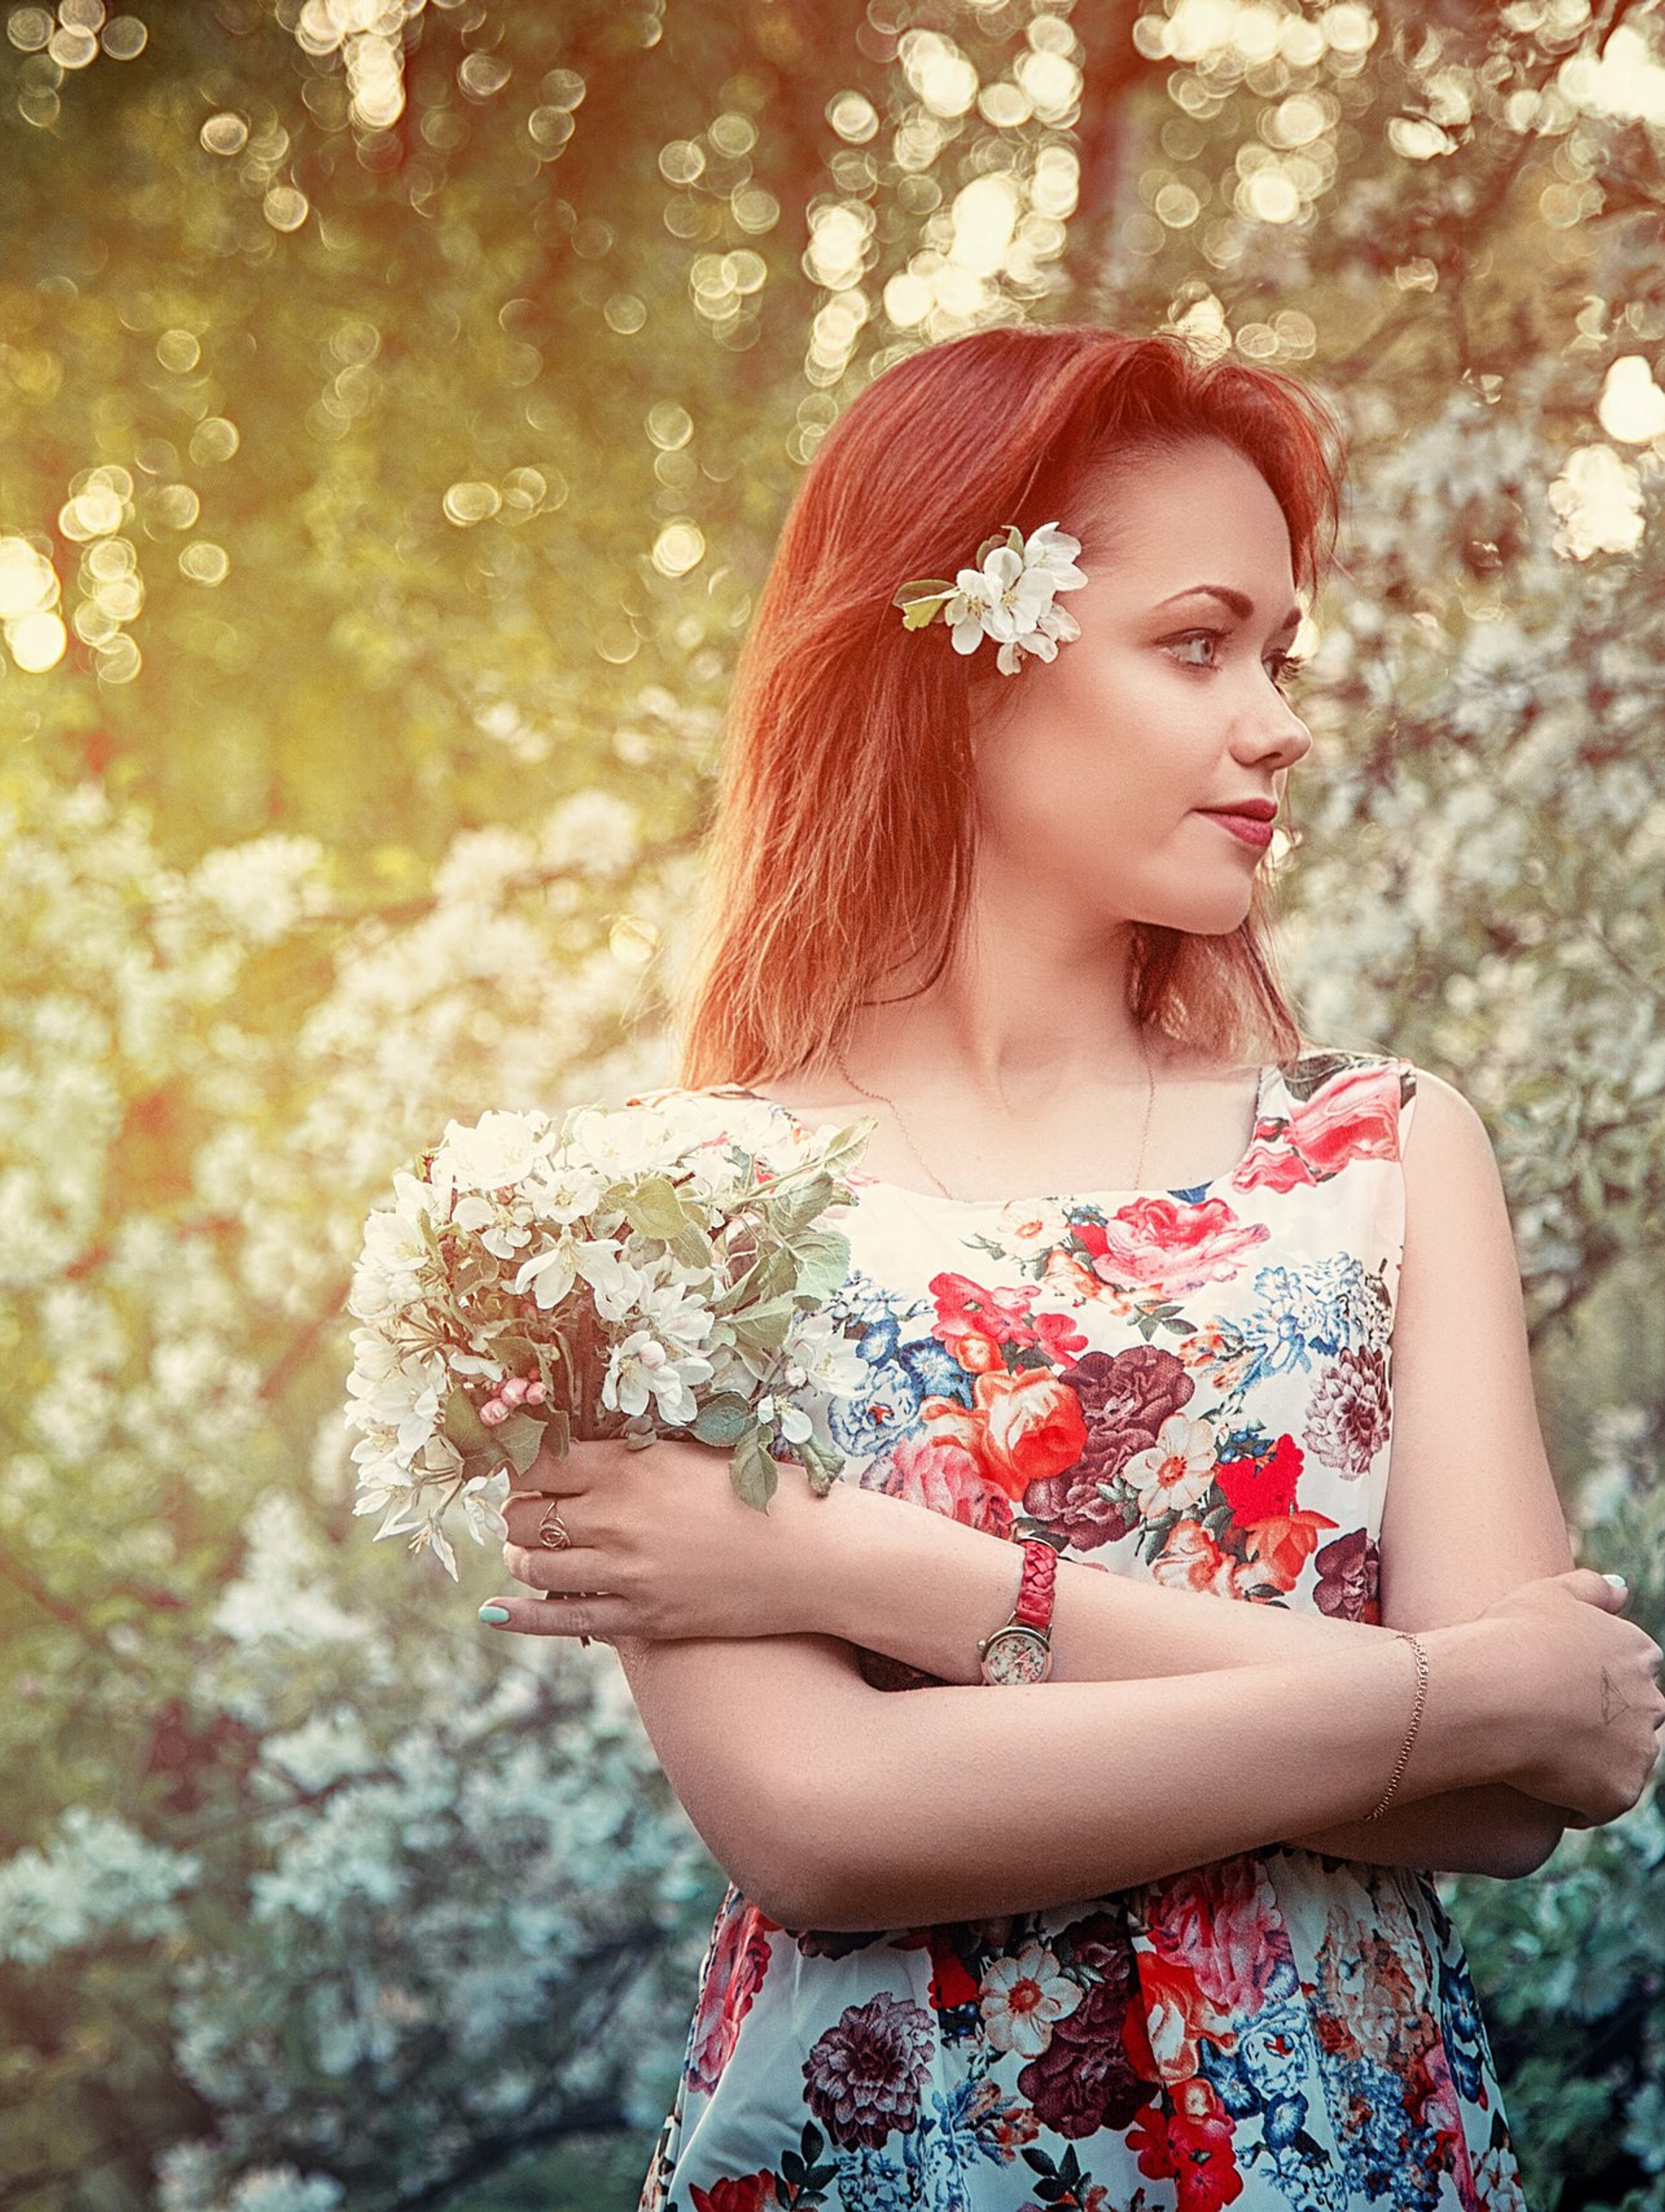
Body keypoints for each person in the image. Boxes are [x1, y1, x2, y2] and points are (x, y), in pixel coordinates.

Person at [472, 327, 1665, 2211]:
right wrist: (1452, 1693)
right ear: (957, 658)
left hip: (1339, 2154)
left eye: (1278, 653)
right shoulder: (658, 1215)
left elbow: (1513, 1804)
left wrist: (860, 1566)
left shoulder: (1380, 1148)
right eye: (1195, 645)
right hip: (890, 2163)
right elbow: (822, 1820)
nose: (1273, 718)